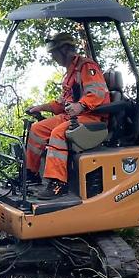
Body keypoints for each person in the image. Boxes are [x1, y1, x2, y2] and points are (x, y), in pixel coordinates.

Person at [23, 32, 109, 198]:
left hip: (92, 117)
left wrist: (81, 105)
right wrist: (39, 107)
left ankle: (57, 184)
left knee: (58, 133)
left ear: (65, 50)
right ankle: (31, 174)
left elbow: (97, 93)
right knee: (37, 129)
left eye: (54, 53)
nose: (53, 57)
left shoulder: (86, 67)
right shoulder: (70, 72)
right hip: (73, 116)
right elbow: (62, 103)